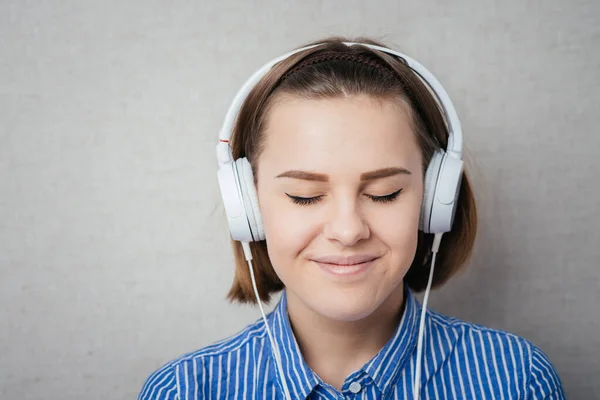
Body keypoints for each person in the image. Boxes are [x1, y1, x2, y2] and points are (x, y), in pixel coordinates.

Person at [138, 37, 565, 400]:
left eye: (385, 193)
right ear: (247, 207)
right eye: (305, 197)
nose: (347, 231)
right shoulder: (184, 390)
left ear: (435, 199)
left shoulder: (516, 379)